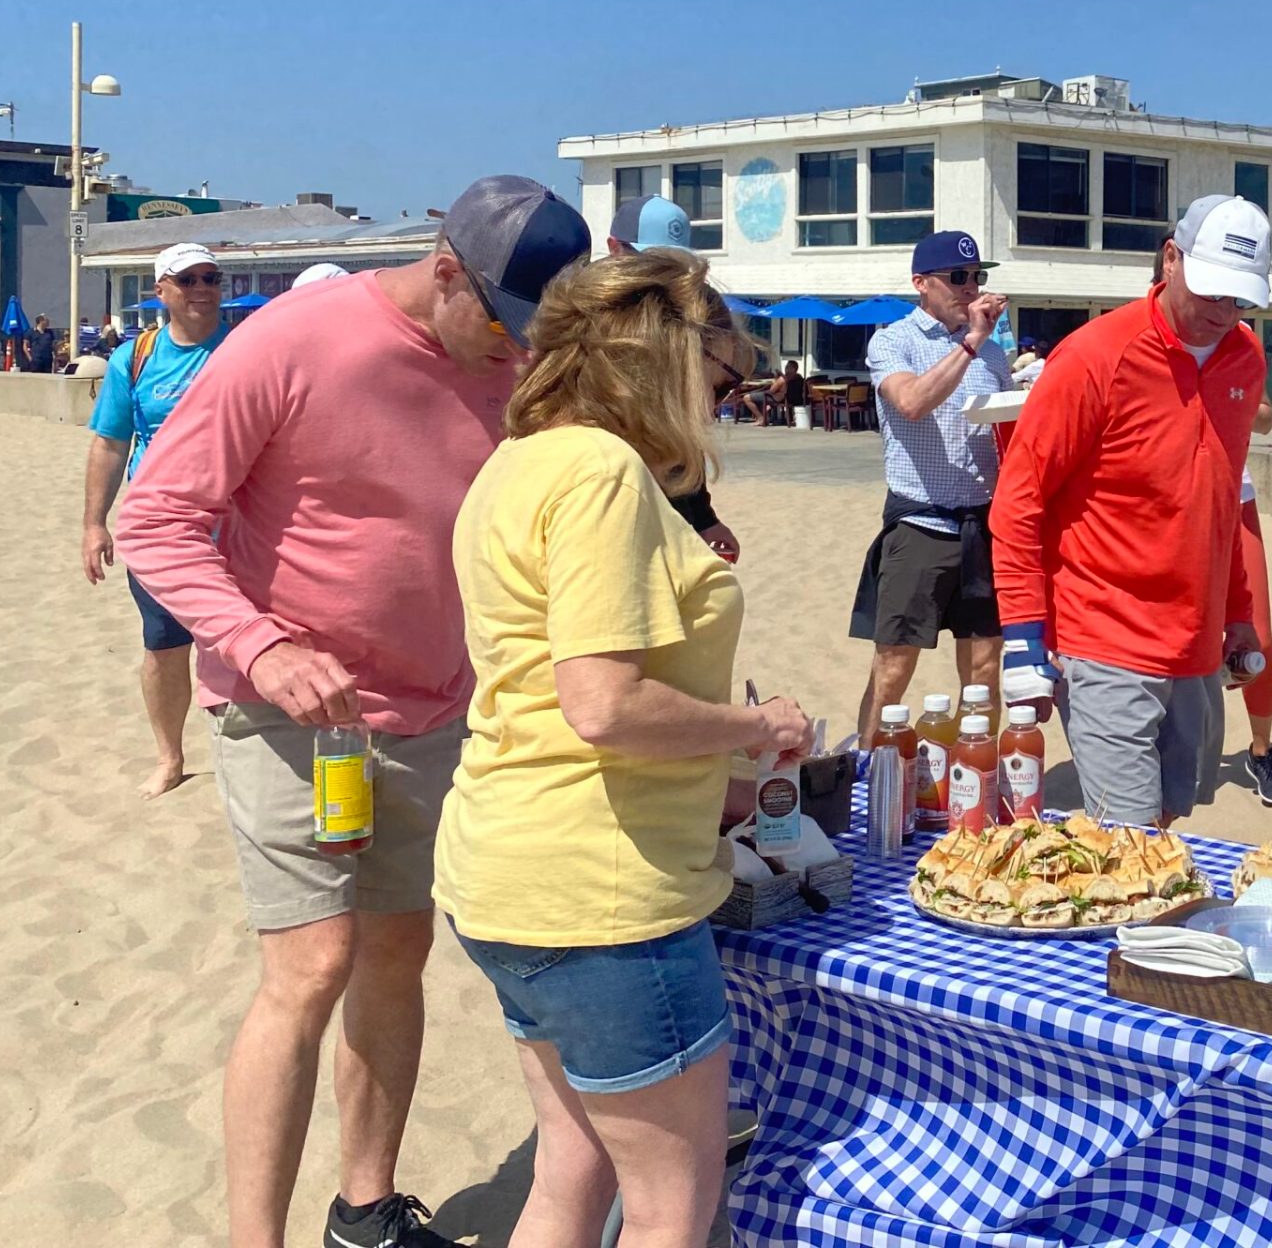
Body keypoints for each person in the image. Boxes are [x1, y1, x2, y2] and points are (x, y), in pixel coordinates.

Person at [117, 175, 589, 1248]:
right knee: (312, 965)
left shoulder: (519, 363)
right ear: (443, 269)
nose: (514, 352)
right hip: (292, 713)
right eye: (504, 323)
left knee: (395, 952)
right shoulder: (295, 340)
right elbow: (156, 519)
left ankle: (364, 1210)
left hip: (433, 711)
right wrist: (263, 646)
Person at [437, 249, 811, 1248]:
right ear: (665, 356)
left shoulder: (520, 458)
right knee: (669, 1206)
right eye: (722, 380)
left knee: (572, 1168)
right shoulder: (601, 471)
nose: (724, 405)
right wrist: (758, 727)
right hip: (602, 892)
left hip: (502, 870)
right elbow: (601, 705)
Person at [992, 195, 1269, 826]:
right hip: (1103, 634)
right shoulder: (1094, 357)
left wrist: (1240, 612)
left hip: (1197, 641)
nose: (1224, 314)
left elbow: (1218, 497)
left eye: (1240, 299)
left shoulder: (1246, 359)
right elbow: (1018, 501)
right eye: (1213, 293)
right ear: (1171, 259)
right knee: (1129, 841)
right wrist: (1024, 635)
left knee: (1172, 820)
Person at [79, 243, 233, 797]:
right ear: (161, 291)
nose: (202, 288)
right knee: (165, 647)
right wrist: (95, 523)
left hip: (239, 527)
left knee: (240, 647)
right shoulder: (135, 358)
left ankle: (241, 760)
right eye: (187, 278)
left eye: (211, 277)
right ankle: (170, 757)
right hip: (162, 530)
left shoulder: (245, 348)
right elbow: (111, 442)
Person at [847, 230, 1013, 741]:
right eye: (958, 278)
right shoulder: (894, 340)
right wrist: (972, 342)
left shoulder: (993, 355)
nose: (971, 288)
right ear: (921, 283)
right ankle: (868, 768)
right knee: (893, 668)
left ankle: (975, 777)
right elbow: (914, 402)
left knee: (984, 670)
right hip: (920, 524)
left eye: (977, 277)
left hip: (982, 526)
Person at [602, 198, 740, 561]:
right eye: (652, 263)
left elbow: (680, 435)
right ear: (614, 249)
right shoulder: (588, 324)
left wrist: (705, 520)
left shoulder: (683, 316)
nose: (665, 277)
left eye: (675, 265)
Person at [1231, 398, 1272, 804]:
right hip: (1167, 504)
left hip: (1236, 499)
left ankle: (1260, 749)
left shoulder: (1237, 344)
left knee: (1260, 642)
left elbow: (1266, 420)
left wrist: (1227, 394)